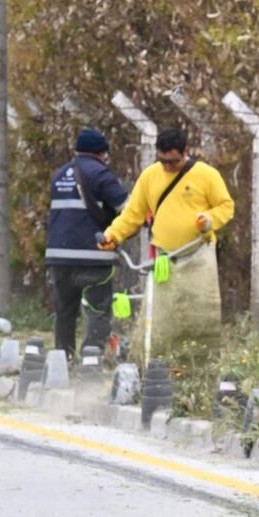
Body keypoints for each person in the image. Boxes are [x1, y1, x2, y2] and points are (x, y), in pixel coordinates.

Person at [97, 127, 235, 355]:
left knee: (199, 316)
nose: (168, 167)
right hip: (164, 259)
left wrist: (210, 219)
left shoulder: (206, 175)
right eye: (163, 161)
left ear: (185, 152)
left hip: (199, 256)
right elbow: (132, 215)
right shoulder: (150, 176)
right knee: (161, 317)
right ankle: (153, 361)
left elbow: (226, 206)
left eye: (173, 161)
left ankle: (200, 364)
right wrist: (113, 235)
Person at [45, 128, 128, 358]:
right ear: (103, 153)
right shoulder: (102, 175)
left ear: (77, 150)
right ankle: (91, 361)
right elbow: (127, 210)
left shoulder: (59, 175)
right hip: (94, 257)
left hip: (59, 257)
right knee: (97, 309)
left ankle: (64, 360)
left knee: (65, 311)